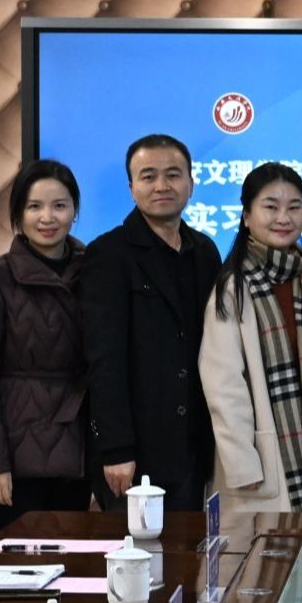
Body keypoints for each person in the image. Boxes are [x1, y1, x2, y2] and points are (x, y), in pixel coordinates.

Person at [80, 135, 222, 511]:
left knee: (189, 548)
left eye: (173, 175)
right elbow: (104, 359)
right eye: (148, 176)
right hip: (134, 452)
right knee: (136, 548)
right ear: (132, 188)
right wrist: (116, 448)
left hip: (193, 446)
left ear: (191, 184)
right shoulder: (108, 254)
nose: (162, 186)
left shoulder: (205, 251)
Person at [199, 163, 302, 512]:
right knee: (267, 546)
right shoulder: (234, 287)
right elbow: (223, 385)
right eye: (270, 207)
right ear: (247, 216)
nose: (283, 218)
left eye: (294, 207)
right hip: (262, 463)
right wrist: (242, 461)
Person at [0, 159, 91, 533]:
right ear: (18, 215)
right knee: (19, 563)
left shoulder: (95, 271)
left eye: (60, 205)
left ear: (74, 211)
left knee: (76, 560)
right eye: (34, 206)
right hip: (17, 458)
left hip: (78, 451)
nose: (47, 217)